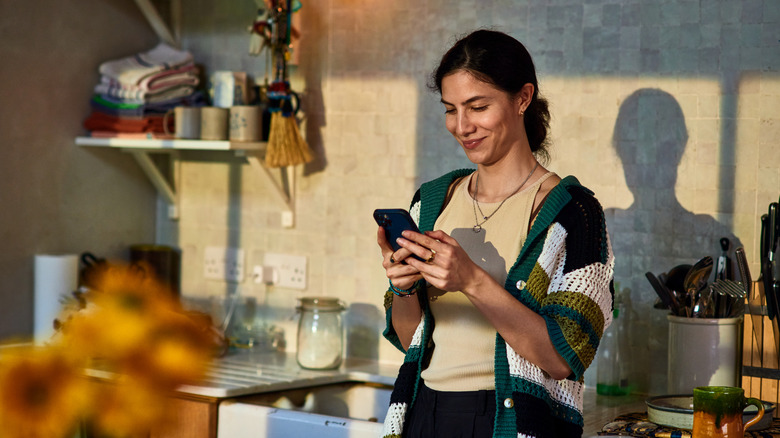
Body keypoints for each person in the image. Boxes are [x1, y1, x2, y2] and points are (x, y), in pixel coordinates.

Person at [377, 29, 615, 438]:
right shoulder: (433, 201)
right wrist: (402, 288)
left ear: (523, 98)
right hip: (423, 412)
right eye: (450, 109)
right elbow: (408, 337)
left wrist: (471, 280)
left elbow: (564, 356)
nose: (462, 126)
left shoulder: (573, 213)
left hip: (509, 421)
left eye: (478, 106)